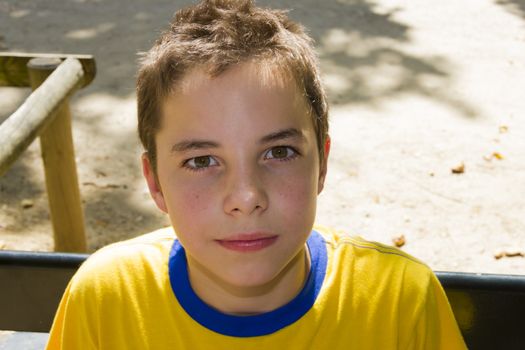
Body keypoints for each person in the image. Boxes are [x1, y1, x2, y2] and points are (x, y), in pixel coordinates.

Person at [46, 0, 466, 349]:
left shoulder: (400, 303)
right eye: (201, 160)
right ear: (155, 182)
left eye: (278, 152)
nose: (246, 196)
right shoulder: (105, 300)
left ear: (321, 162)